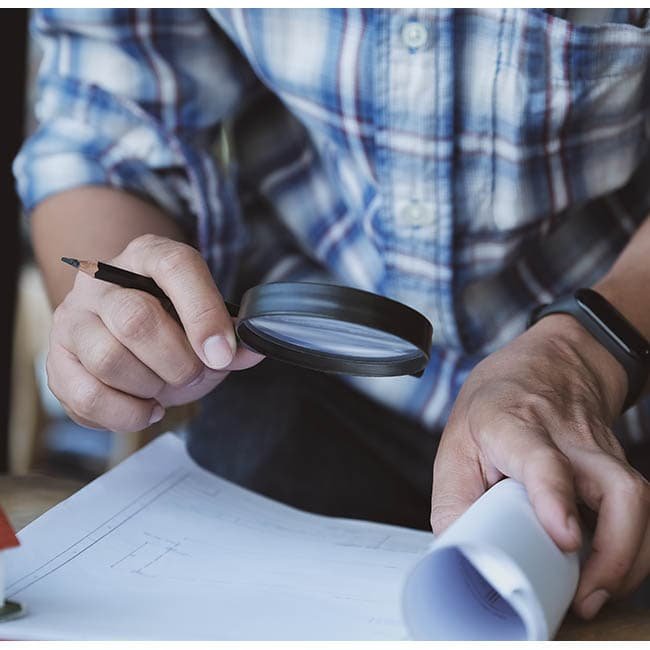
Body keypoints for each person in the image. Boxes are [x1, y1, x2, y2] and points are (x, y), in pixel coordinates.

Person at [14, 8, 650, 622]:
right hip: (303, 372)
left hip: (612, 376)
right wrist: (127, 318)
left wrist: (584, 354)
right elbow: (103, 126)